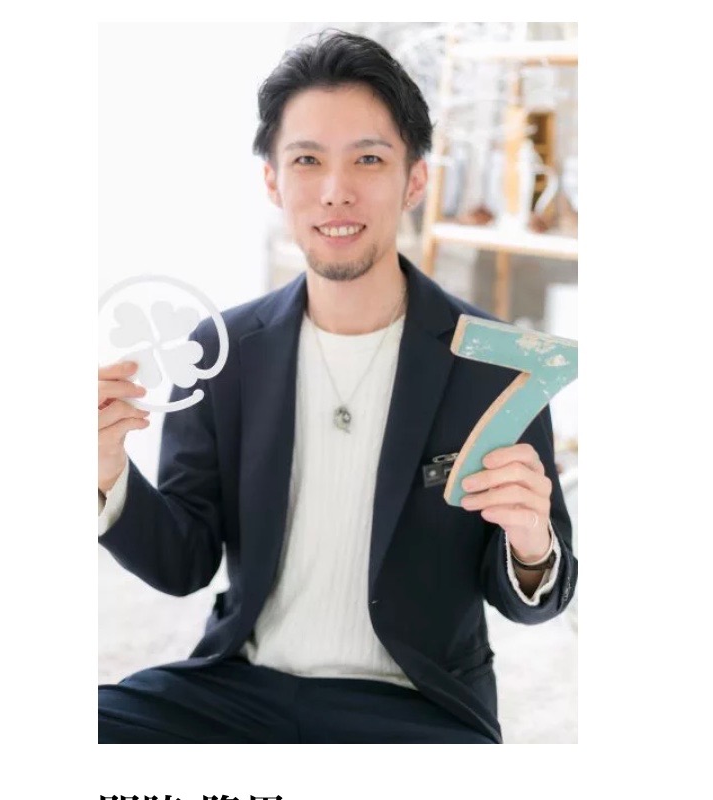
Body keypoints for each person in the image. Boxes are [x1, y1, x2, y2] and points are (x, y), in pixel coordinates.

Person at [97, 29, 577, 744]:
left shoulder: (495, 362)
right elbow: (184, 563)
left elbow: (535, 599)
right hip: (239, 689)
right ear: (272, 181)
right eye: (307, 160)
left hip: (416, 704)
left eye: (369, 159)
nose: (335, 191)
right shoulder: (220, 352)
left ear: (415, 180)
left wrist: (532, 543)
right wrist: (107, 474)